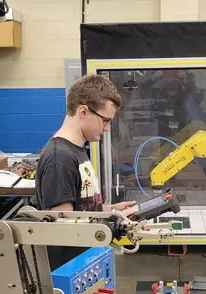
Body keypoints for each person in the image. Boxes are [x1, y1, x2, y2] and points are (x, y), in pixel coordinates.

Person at [35, 74, 136, 270]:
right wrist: (110, 227)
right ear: (83, 111)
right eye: (105, 121)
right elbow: (64, 225)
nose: (107, 129)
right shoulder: (59, 158)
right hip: (69, 268)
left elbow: (80, 209)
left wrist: (111, 211)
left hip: (85, 261)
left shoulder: (76, 150)